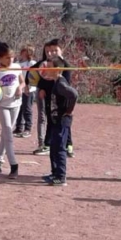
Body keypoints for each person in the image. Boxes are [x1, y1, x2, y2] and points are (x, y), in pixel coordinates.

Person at [0, 41, 25, 179]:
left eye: (12, 57)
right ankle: (14, 165)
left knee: (6, 133)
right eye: (6, 58)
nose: (10, 60)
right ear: (0, 58)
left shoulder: (17, 67)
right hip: (2, 105)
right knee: (8, 134)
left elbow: (22, 81)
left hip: (16, 104)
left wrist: (20, 88)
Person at [42, 57, 78, 187]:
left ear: (57, 69)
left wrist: (68, 111)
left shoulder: (61, 84)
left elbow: (74, 95)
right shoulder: (56, 82)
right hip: (55, 119)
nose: (47, 69)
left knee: (60, 148)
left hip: (62, 120)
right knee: (53, 147)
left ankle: (61, 177)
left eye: (50, 67)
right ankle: (55, 173)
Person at [14, 44, 37, 138]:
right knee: (19, 108)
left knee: (27, 109)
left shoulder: (32, 63)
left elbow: (33, 75)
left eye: (25, 51)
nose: (22, 53)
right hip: (20, 89)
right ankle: (19, 127)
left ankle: (28, 128)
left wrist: (29, 85)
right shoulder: (18, 63)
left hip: (29, 89)